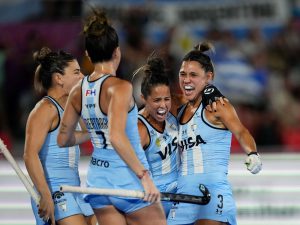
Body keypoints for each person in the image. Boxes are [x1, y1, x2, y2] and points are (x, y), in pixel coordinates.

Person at [57, 10, 166, 225]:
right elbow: (116, 137)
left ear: (88, 53)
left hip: (98, 183)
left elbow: (63, 139)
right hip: (129, 182)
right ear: (117, 52)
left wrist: (93, 133)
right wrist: (144, 177)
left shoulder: (77, 90)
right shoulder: (120, 88)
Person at [167, 42, 262, 225]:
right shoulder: (178, 109)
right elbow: (159, 97)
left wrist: (252, 153)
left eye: (193, 75)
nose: (186, 80)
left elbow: (241, 131)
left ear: (208, 77)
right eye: (183, 74)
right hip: (183, 197)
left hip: (212, 194)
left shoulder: (217, 106)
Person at [23, 47, 96, 225]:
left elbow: (77, 137)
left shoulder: (71, 108)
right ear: (59, 78)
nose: (82, 77)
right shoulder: (45, 109)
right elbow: (29, 154)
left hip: (75, 188)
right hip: (54, 190)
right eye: (77, 72)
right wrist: (45, 194)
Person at [137, 56, 179, 217]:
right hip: (155, 202)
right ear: (143, 98)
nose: (163, 106)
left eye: (166, 99)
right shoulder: (139, 128)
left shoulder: (173, 111)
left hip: (181, 197)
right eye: (156, 100)